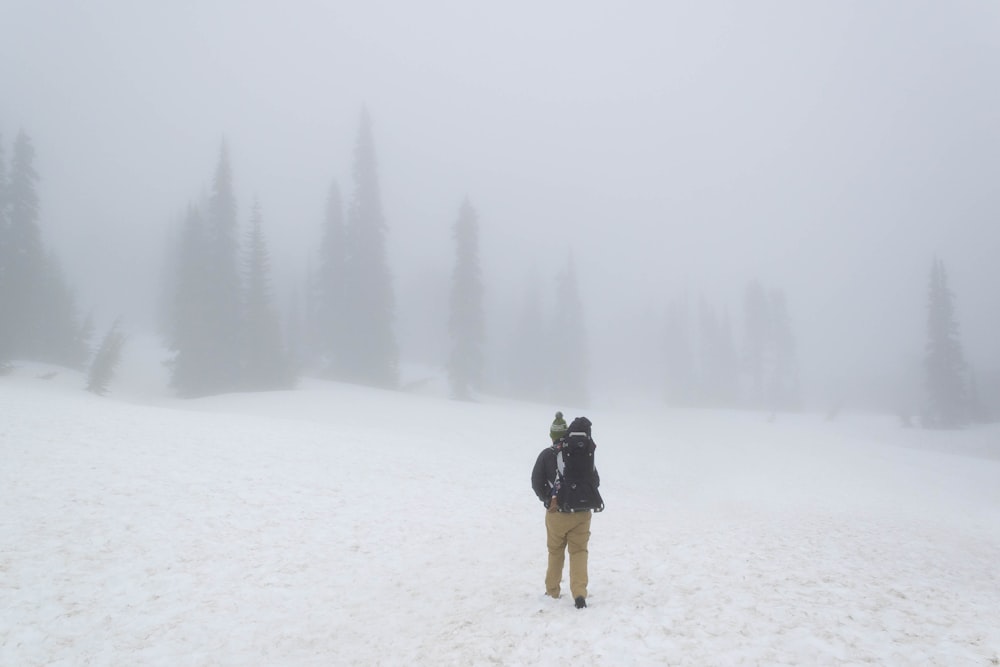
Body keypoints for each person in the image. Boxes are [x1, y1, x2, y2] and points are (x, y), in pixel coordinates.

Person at [531, 416, 603, 609]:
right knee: (579, 551)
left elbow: (536, 483)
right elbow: (595, 481)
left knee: (555, 551)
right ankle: (579, 593)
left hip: (557, 513)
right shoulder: (584, 453)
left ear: (552, 435)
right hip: (582, 512)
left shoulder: (547, 455)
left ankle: (552, 591)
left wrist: (548, 500)